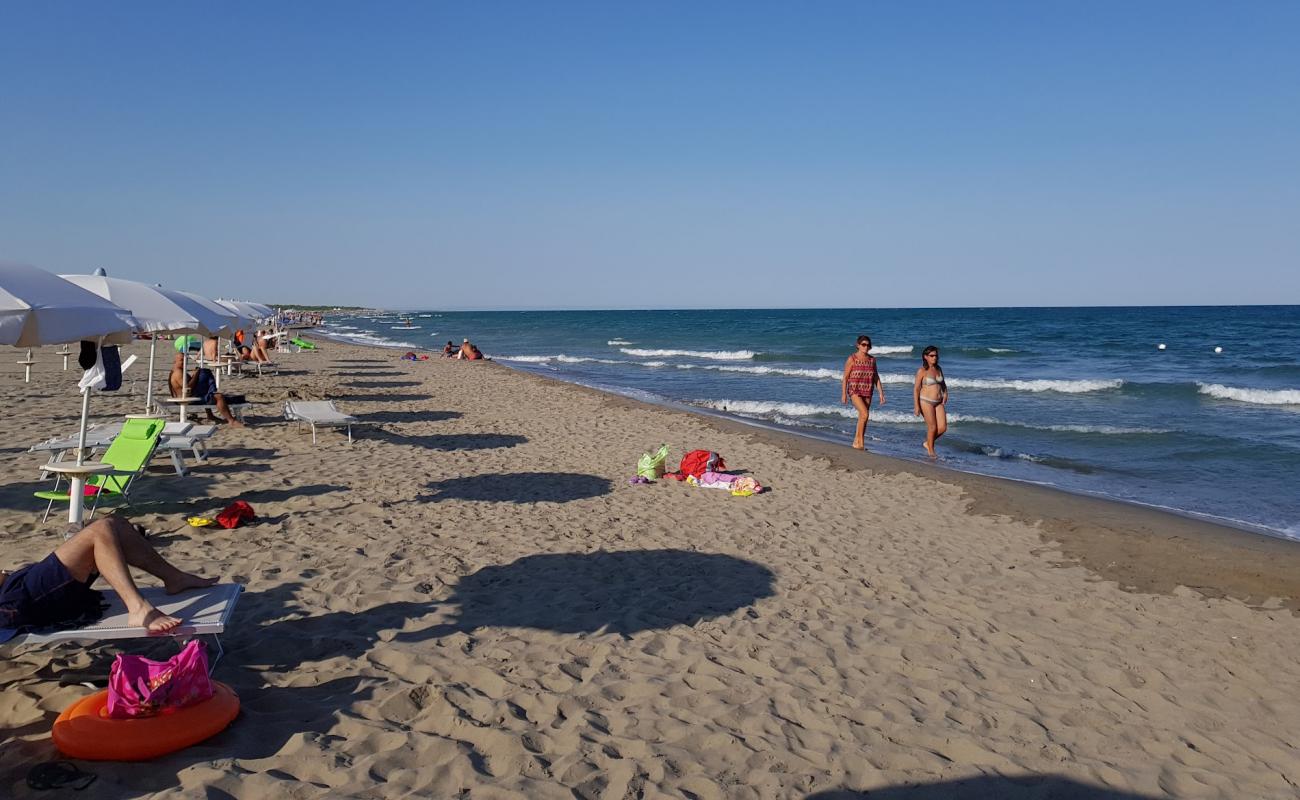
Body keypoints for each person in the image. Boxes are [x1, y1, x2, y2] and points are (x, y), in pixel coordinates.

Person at [0, 516, 219, 640]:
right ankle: (138, 608)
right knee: (100, 530)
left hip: (17, 584)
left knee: (116, 524)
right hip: (17, 601)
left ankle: (174, 578)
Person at [170, 343, 246, 427]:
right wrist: (196, 375)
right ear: (175, 361)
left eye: (185, 360)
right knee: (219, 396)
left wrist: (194, 375)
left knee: (205, 376)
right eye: (181, 360)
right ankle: (231, 420)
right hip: (187, 399)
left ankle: (210, 414)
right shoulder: (178, 372)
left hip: (185, 397)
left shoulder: (176, 370)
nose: (184, 362)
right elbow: (188, 388)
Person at [841, 334, 885, 450]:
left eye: (868, 345)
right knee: (865, 414)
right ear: (858, 345)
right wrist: (844, 394)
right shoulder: (852, 359)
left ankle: (856, 441)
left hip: (868, 390)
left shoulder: (872, 360)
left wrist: (881, 393)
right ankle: (861, 443)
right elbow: (845, 377)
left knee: (863, 417)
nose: (866, 347)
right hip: (854, 390)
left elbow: (876, 377)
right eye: (863, 345)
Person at [913, 345, 949, 458]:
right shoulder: (922, 371)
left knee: (943, 427)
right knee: (932, 427)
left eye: (936, 355)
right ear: (926, 357)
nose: (935, 358)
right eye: (932, 356)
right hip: (926, 401)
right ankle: (931, 451)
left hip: (938, 402)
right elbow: (916, 389)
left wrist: (946, 393)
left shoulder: (939, 369)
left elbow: (943, 384)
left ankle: (927, 443)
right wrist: (916, 406)